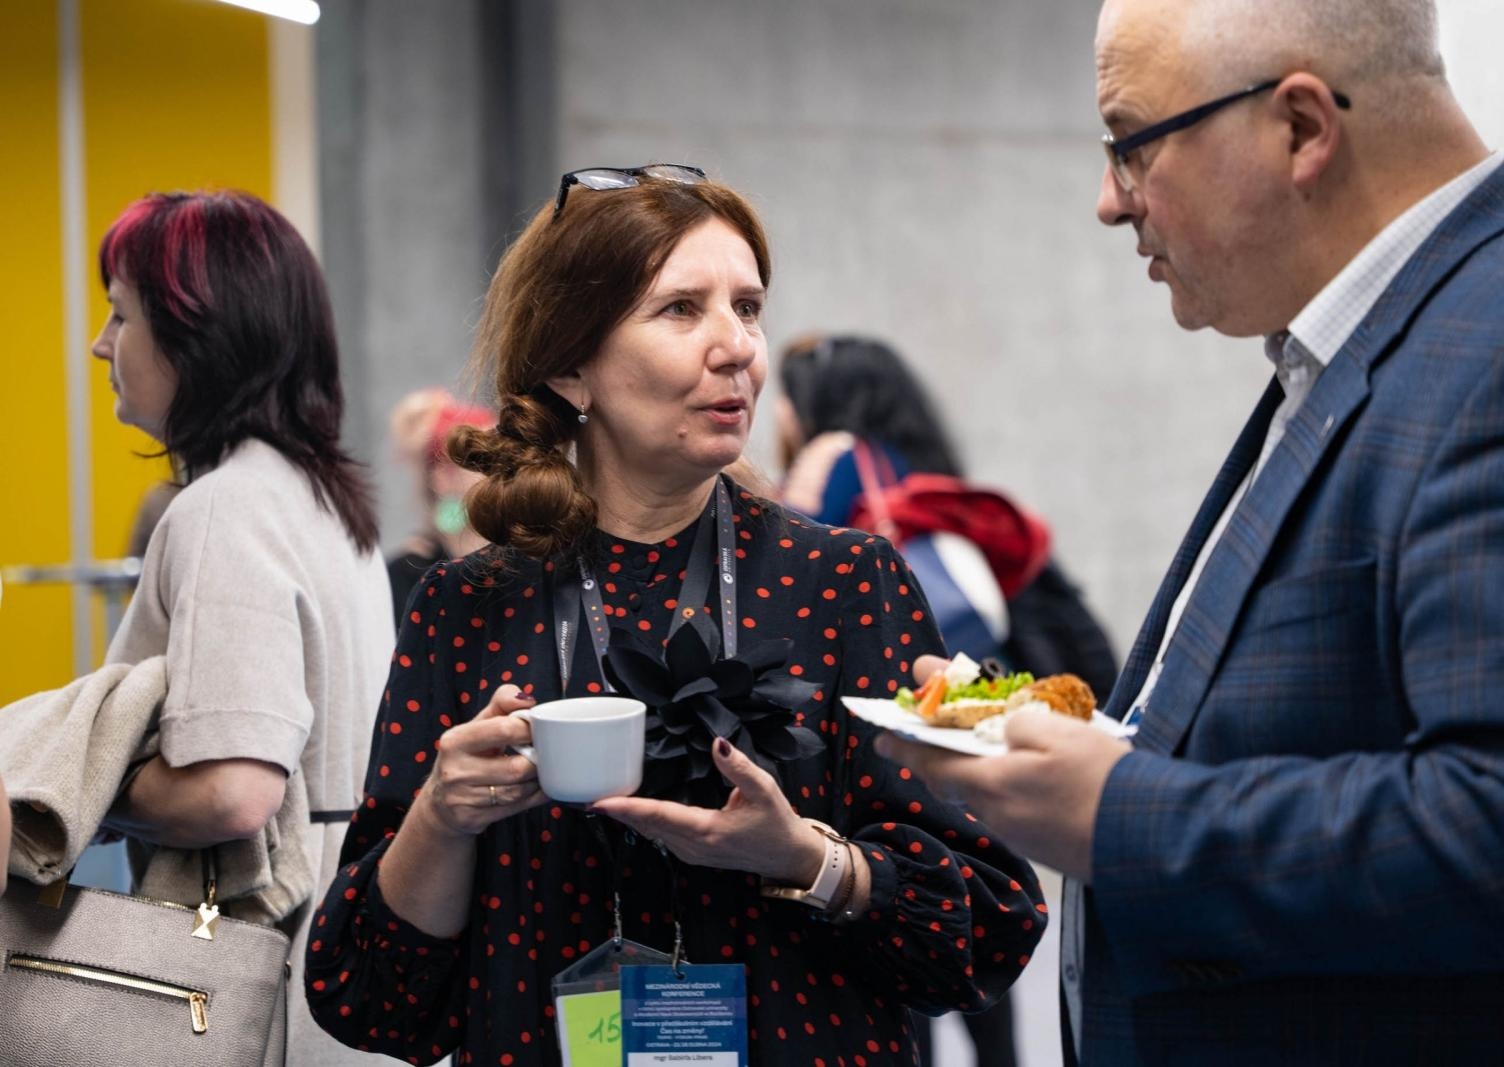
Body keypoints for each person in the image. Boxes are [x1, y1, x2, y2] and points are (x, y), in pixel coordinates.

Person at [880, 0, 1504, 1063]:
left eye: (1130, 145)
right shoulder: (1383, 338)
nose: (1106, 202)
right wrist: (1061, 740)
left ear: (1302, 128)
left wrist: (1116, 811)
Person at [304, 165, 1047, 1065]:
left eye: (748, 306)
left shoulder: (845, 582)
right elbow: (369, 1000)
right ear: (573, 366)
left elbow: (989, 926)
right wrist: (441, 818)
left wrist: (808, 860)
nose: (737, 346)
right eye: (682, 310)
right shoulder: (470, 606)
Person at [91, 191, 395, 1065]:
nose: (102, 345)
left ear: (196, 337)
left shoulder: (225, 509)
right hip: (350, 943)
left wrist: (79, 780)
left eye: (121, 316)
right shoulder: (320, 494)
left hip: (270, 970)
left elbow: (233, 789)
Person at [778, 334, 1119, 701]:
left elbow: (790, 567)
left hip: (905, 671)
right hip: (980, 656)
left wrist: (793, 500)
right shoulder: (916, 461)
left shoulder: (839, 458)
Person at [384, 388, 495, 626]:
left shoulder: (524, 564)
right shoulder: (407, 576)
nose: (500, 468)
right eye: (481, 459)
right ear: (442, 477)